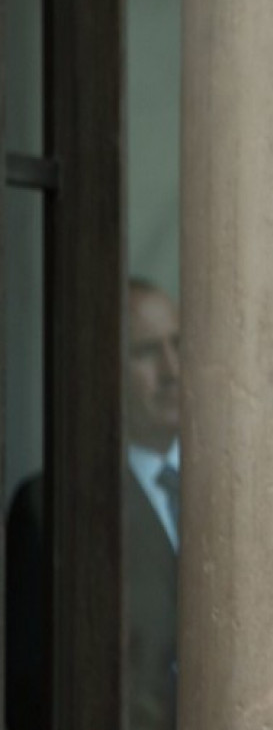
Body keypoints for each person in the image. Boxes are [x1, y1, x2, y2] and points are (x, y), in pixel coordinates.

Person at [5, 278, 181, 730]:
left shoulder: (228, 490)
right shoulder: (55, 505)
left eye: (179, 344)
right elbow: (33, 687)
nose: (172, 369)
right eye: (147, 351)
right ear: (108, 368)